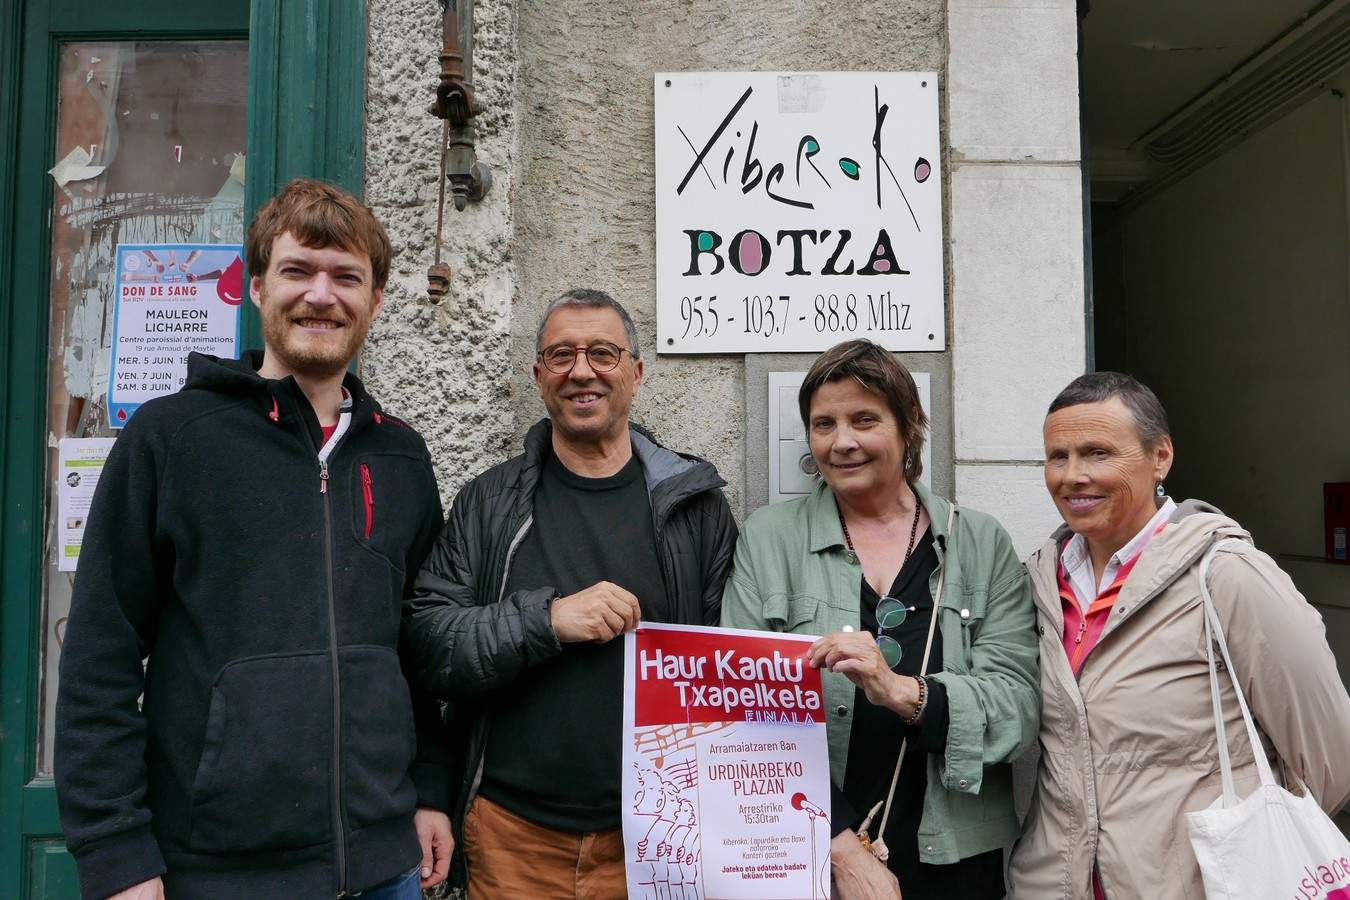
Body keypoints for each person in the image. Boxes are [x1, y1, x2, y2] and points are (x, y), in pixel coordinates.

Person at [55, 179, 454, 900]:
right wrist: (117, 855)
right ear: (258, 286)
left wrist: (429, 789)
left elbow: (417, 645)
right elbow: (98, 655)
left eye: (346, 277)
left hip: (384, 865)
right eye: (298, 271)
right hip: (219, 872)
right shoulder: (172, 439)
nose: (321, 296)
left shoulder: (401, 456)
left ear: (376, 301)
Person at [400, 289, 738, 898]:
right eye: (562, 355)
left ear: (637, 372)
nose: (582, 371)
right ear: (539, 377)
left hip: (655, 839)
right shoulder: (489, 502)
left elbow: (731, 671)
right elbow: (428, 644)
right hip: (513, 837)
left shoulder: (696, 508)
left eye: (603, 353)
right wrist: (547, 621)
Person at [1008, 372, 1350, 900]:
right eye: (1058, 457)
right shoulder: (1038, 584)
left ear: (1160, 458)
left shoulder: (1227, 574)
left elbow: (1330, 760)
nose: (1073, 476)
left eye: (1098, 453)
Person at [722, 339, 1040, 900]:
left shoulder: (978, 542)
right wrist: (843, 852)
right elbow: (743, 714)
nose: (842, 441)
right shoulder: (769, 540)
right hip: (810, 855)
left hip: (954, 862)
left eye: (864, 420)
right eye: (824, 424)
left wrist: (900, 692)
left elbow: (1017, 708)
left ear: (909, 423)